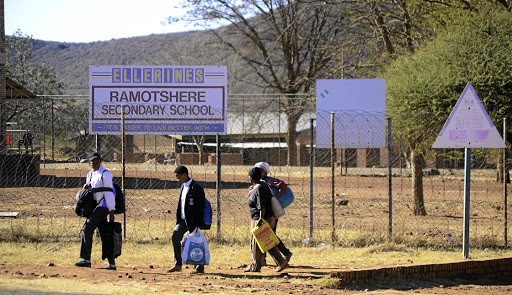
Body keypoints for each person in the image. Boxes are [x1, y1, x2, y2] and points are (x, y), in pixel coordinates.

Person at [75, 152, 117, 270]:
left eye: (97, 162)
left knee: (87, 228)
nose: (95, 164)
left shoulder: (105, 174)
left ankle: (86, 259)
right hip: (95, 206)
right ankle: (112, 264)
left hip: (103, 206)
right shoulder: (90, 174)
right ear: (89, 163)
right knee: (105, 234)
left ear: (100, 162)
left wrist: (111, 210)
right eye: (92, 162)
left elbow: (109, 193)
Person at [245, 167, 289, 273]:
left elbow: (261, 206)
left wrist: (260, 219)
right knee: (266, 241)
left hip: (261, 219)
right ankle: (280, 262)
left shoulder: (258, 188)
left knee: (256, 242)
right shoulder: (263, 184)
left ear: (250, 178)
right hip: (267, 217)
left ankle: (256, 265)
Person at [168, 166, 206, 274]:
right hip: (182, 220)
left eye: (178, 177)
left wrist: (198, 223)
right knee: (176, 237)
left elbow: (200, 207)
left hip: (193, 222)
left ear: (185, 175)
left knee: (196, 243)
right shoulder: (183, 187)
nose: (178, 180)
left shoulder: (196, 188)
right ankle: (178, 264)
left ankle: (199, 268)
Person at [254, 162, 293, 263]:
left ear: (266, 171)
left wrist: (275, 198)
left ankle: (284, 254)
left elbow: (283, 186)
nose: (260, 172)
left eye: (262, 170)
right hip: (264, 211)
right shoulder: (258, 182)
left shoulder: (270, 181)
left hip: (271, 211)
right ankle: (266, 258)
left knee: (268, 234)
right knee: (267, 234)